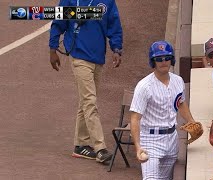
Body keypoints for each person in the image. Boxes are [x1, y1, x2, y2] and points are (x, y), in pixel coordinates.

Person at [49, 0, 123, 164]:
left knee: (86, 101)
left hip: (97, 58)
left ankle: (80, 145)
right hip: (79, 56)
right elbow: (58, 23)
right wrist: (52, 48)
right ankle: (100, 148)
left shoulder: (107, 2)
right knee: (90, 101)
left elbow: (114, 25)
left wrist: (117, 49)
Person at [130, 41, 199, 179]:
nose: (163, 62)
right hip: (150, 140)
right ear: (153, 62)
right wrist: (138, 146)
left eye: (167, 58)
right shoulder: (144, 86)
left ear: (171, 59)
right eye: (159, 59)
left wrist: (192, 121)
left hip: (172, 140)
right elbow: (135, 118)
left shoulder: (178, 81)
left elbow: (180, 103)